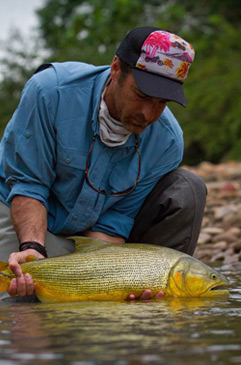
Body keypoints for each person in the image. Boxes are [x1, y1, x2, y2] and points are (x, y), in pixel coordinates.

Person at [0, 26, 206, 300]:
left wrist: (111, 283)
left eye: (162, 103)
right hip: (21, 212)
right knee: (19, 298)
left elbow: (112, 223)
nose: (148, 114)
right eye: (142, 96)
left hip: (87, 235)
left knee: (188, 187)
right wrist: (32, 249)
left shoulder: (167, 142)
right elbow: (29, 185)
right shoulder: (50, 92)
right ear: (116, 68)